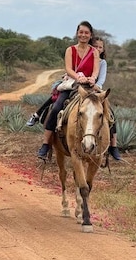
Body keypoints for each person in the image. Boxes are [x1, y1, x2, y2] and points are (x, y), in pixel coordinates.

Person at [36, 21, 100, 160]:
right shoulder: (70, 50)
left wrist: (92, 79)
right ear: (77, 33)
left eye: (86, 33)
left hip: (89, 86)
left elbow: (96, 70)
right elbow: (68, 69)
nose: (83, 35)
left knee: (106, 110)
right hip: (73, 85)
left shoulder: (94, 52)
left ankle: (110, 145)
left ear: (90, 35)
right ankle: (46, 144)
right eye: (81, 32)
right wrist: (78, 77)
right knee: (56, 108)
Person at [92, 38, 122, 161]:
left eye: (100, 47)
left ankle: (113, 145)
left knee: (110, 115)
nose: (97, 49)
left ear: (103, 49)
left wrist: (96, 87)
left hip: (97, 90)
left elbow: (101, 79)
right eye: (95, 46)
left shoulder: (102, 62)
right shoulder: (85, 58)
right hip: (81, 88)